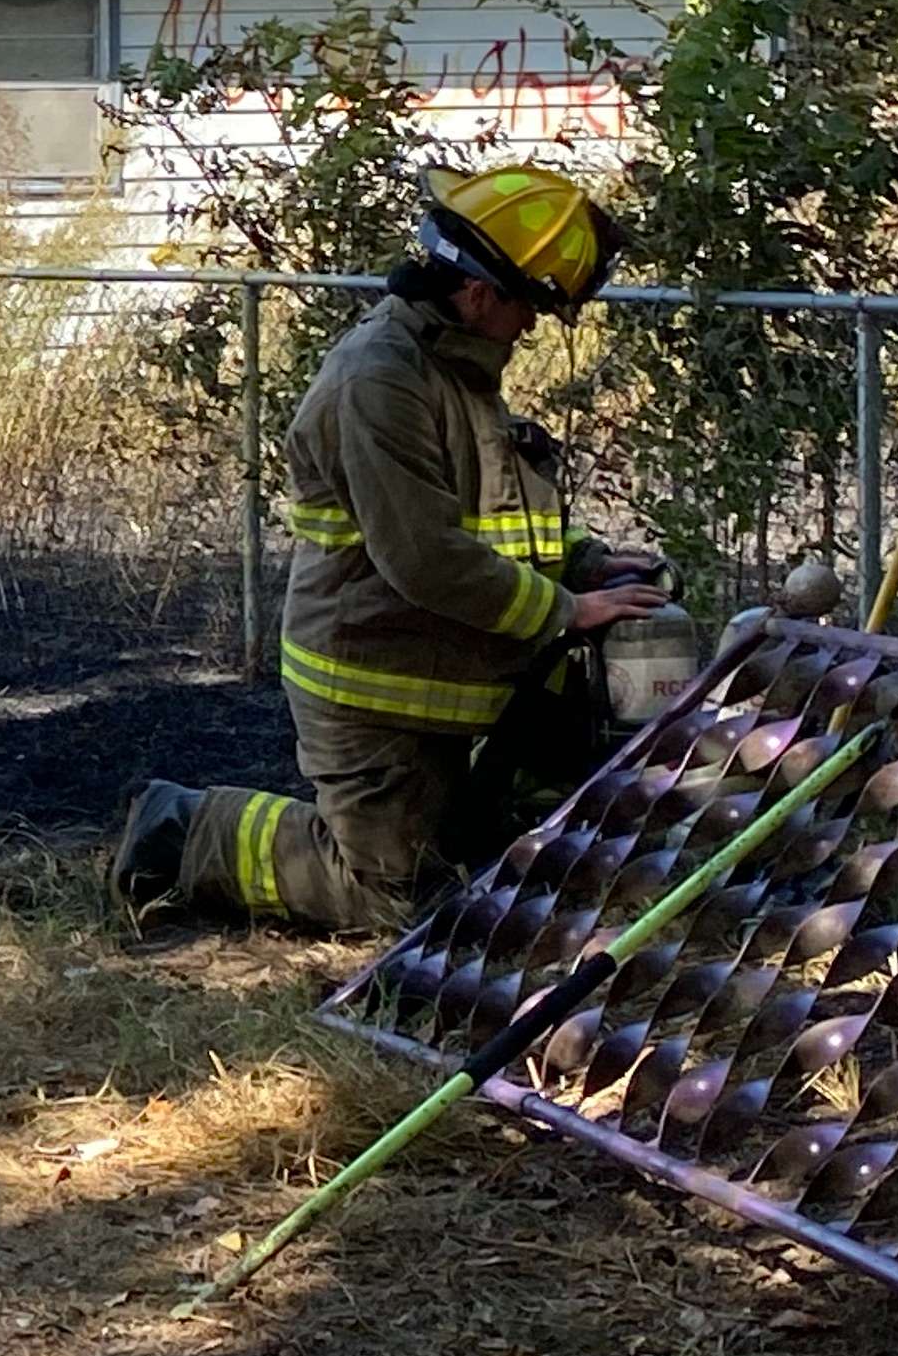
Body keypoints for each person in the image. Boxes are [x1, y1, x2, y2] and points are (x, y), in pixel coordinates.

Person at [115, 165, 673, 933]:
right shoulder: (378, 381)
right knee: (394, 898)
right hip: (373, 682)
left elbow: (488, 514)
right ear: (480, 295)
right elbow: (426, 557)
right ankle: (182, 830)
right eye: (530, 309)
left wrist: (584, 563)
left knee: (477, 862)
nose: (531, 329)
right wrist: (568, 610)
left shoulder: (456, 368)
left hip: (445, 667)